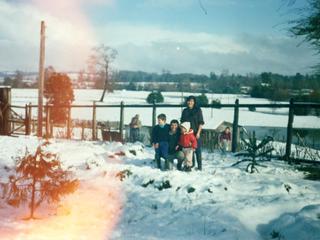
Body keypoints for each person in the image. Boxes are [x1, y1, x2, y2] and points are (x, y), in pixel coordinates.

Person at [181, 96, 205, 170]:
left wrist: (198, 133)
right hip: (187, 134)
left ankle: (200, 166)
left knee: (197, 150)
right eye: (188, 101)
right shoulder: (185, 111)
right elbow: (182, 122)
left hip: (195, 133)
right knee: (189, 150)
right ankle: (191, 164)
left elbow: (201, 122)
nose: (190, 102)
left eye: (191, 101)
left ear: (194, 102)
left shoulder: (198, 110)